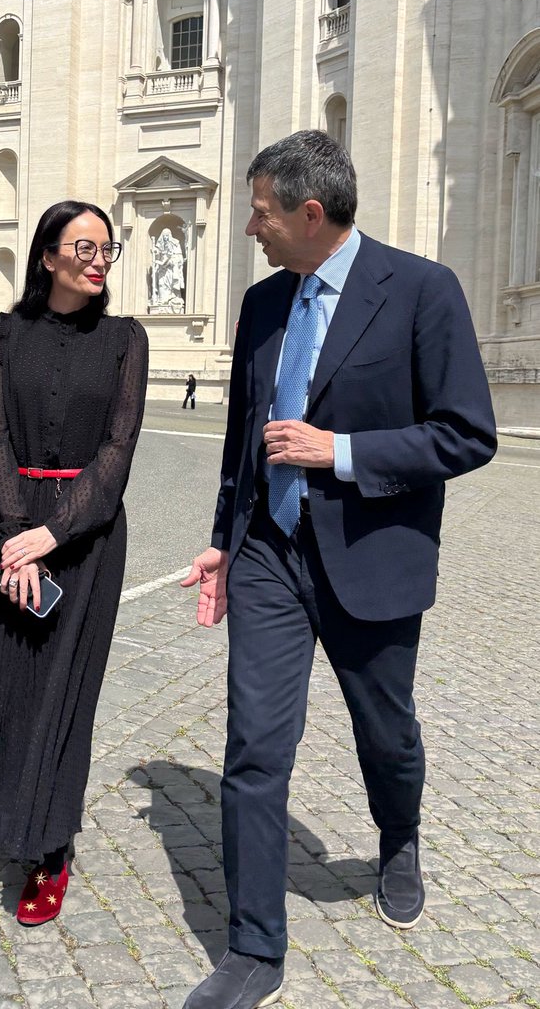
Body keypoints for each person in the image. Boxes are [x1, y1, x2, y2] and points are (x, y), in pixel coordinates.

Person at [180, 130, 497, 1009]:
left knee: (384, 732)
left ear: (310, 214)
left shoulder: (423, 290)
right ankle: (253, 950)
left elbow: (468, 433)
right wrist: (222, 536)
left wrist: (340, 451)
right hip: (269, 557)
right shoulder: (261, 305)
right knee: (254, 749)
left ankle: (399, 839)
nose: (251, 226)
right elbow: (245, 437)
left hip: (372, 561)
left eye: (261, 211)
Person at [0, 200, 148, 926]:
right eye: (83, 247)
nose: (98, 260)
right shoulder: (1, 336)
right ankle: (4, 808)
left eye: (106, 249)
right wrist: (12, 531)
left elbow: (119, 448)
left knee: (62, 693)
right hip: (6, 527)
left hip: (84, 537)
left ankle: (50, 848)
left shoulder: (126, 339)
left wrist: (53, 535)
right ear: (47, 256)